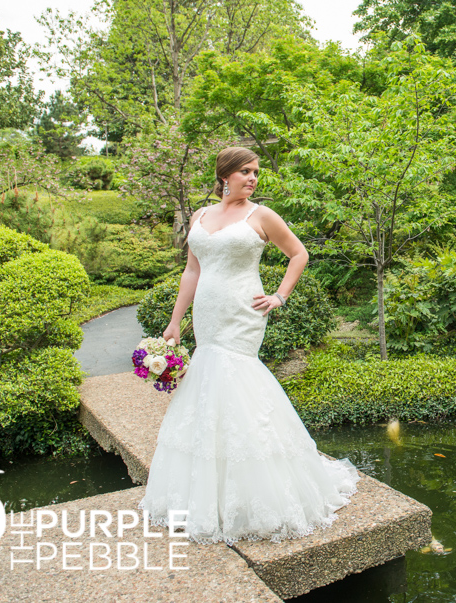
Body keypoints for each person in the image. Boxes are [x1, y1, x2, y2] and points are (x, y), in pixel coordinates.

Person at [136, 146, 359, 545]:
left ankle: (263, 491)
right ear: (224, 175)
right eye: (245, 171)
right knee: (208, 384)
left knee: (236, 378)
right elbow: (192, 270)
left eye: (256, 172)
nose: (253, 178)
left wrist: (279, 296)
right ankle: (210, 492)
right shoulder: (200, 216)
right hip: (207, 314)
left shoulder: (262, 215)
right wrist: (174, 322)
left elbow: (298, 254)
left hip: (243, 312)